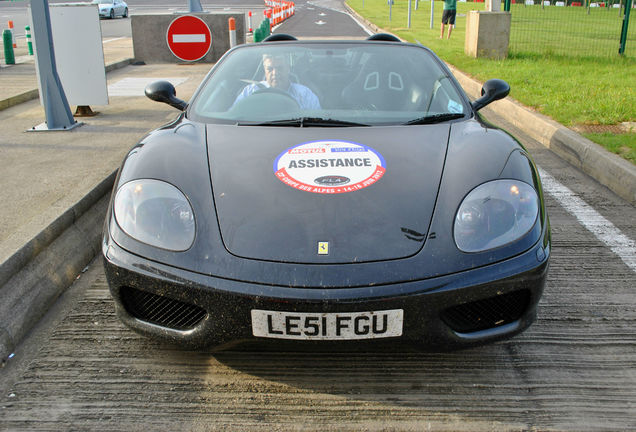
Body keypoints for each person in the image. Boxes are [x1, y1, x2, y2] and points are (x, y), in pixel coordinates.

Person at [233, 54, 320, 110]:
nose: (275, 73)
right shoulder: (250, 92)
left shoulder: (304, 95)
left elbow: (317, 122)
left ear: (288, 68)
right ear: (264, 70)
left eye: (280, 68)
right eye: (270, 69)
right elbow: (234, 115)